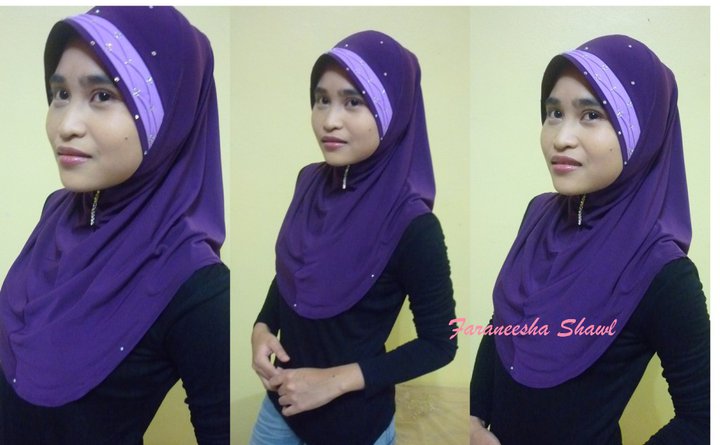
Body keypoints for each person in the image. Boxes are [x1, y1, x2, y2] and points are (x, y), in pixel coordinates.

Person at [0, 6, 229, 444]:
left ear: (170, 116)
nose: (65, 125)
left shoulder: (195, 284)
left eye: (102, 95)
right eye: (60, 93)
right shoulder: (56, 215)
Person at [469, 34, 710, 444]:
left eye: (591, 114)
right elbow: (503, 325)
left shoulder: (662, 271)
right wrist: (475, 422)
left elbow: (704, 418)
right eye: (554, 113)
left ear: (642, 133)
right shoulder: (537, 216)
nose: (561, 137)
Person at [250, 30, 457, 445]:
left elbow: (441, 343)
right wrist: (263, 325)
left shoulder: (413, 224)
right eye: (321, 99)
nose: (329, 120)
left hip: (355, 424)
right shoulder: (309, 183)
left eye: (353, 102)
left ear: (392, 111)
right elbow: (296, 270)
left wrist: (333, 381)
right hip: (282, 406)